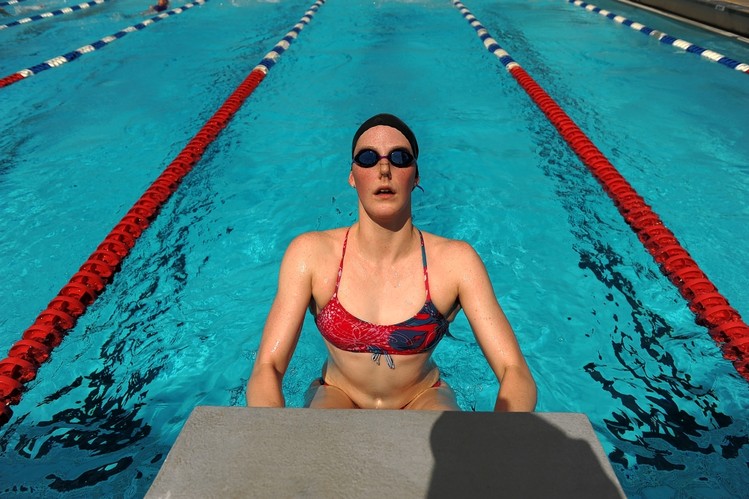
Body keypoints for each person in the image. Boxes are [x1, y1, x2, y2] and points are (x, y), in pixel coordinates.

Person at [246, 113, 537, 411]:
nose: (384, 169)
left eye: (399, 158)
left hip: (422, 396)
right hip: (338, 392)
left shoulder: (456, 263)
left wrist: (502, 437)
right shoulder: (311, 255)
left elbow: (514, 371)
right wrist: (271, 435)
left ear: (416, 176)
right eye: (368, 158)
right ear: (352, 176)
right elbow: (268, 367)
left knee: (446, 429)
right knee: (324, 426)